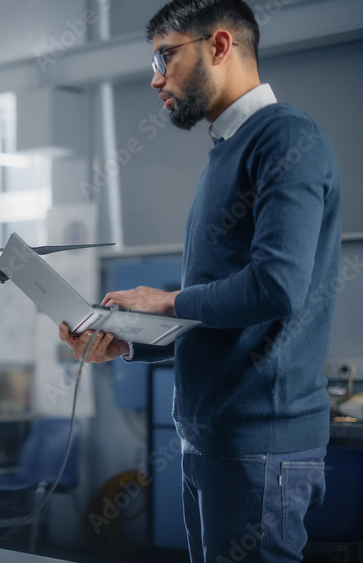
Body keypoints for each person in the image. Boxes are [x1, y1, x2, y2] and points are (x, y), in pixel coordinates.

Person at [61, 1, 341, 561]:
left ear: (218, 46)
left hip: (259, 442)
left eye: (166, 55)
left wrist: (165, 301)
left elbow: (277, 286)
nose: (155, 77)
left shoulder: (284, 137)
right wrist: (130, 342)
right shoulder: (226, 151)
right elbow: (222, 316)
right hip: (212, 437)